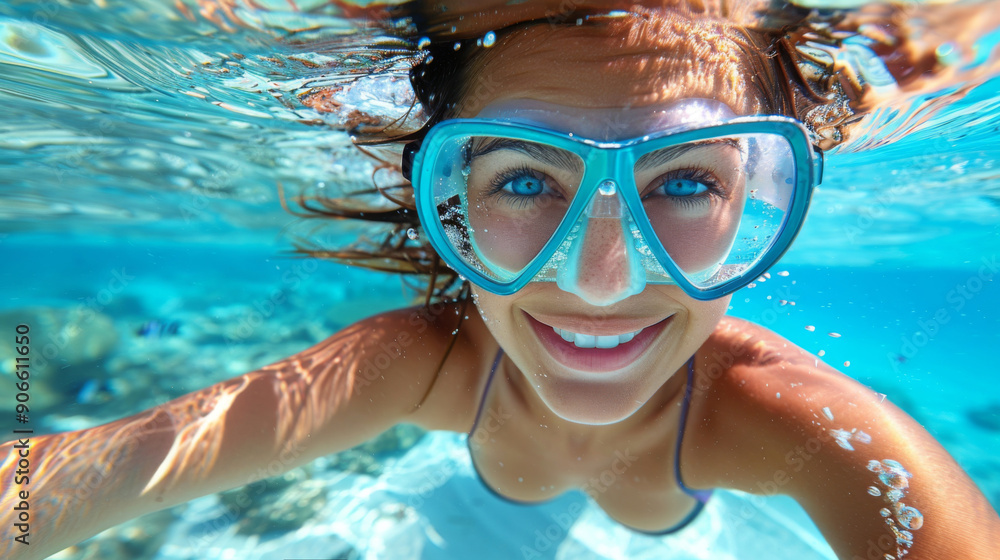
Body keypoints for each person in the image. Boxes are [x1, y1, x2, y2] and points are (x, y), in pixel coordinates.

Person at [2, 1, 999, 559]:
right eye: (524, 178)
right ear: (448, 202)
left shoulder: (805, 429)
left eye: (687, 181)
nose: (602, 280)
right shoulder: (425, 362)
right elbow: (60, 487)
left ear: (763, 201)